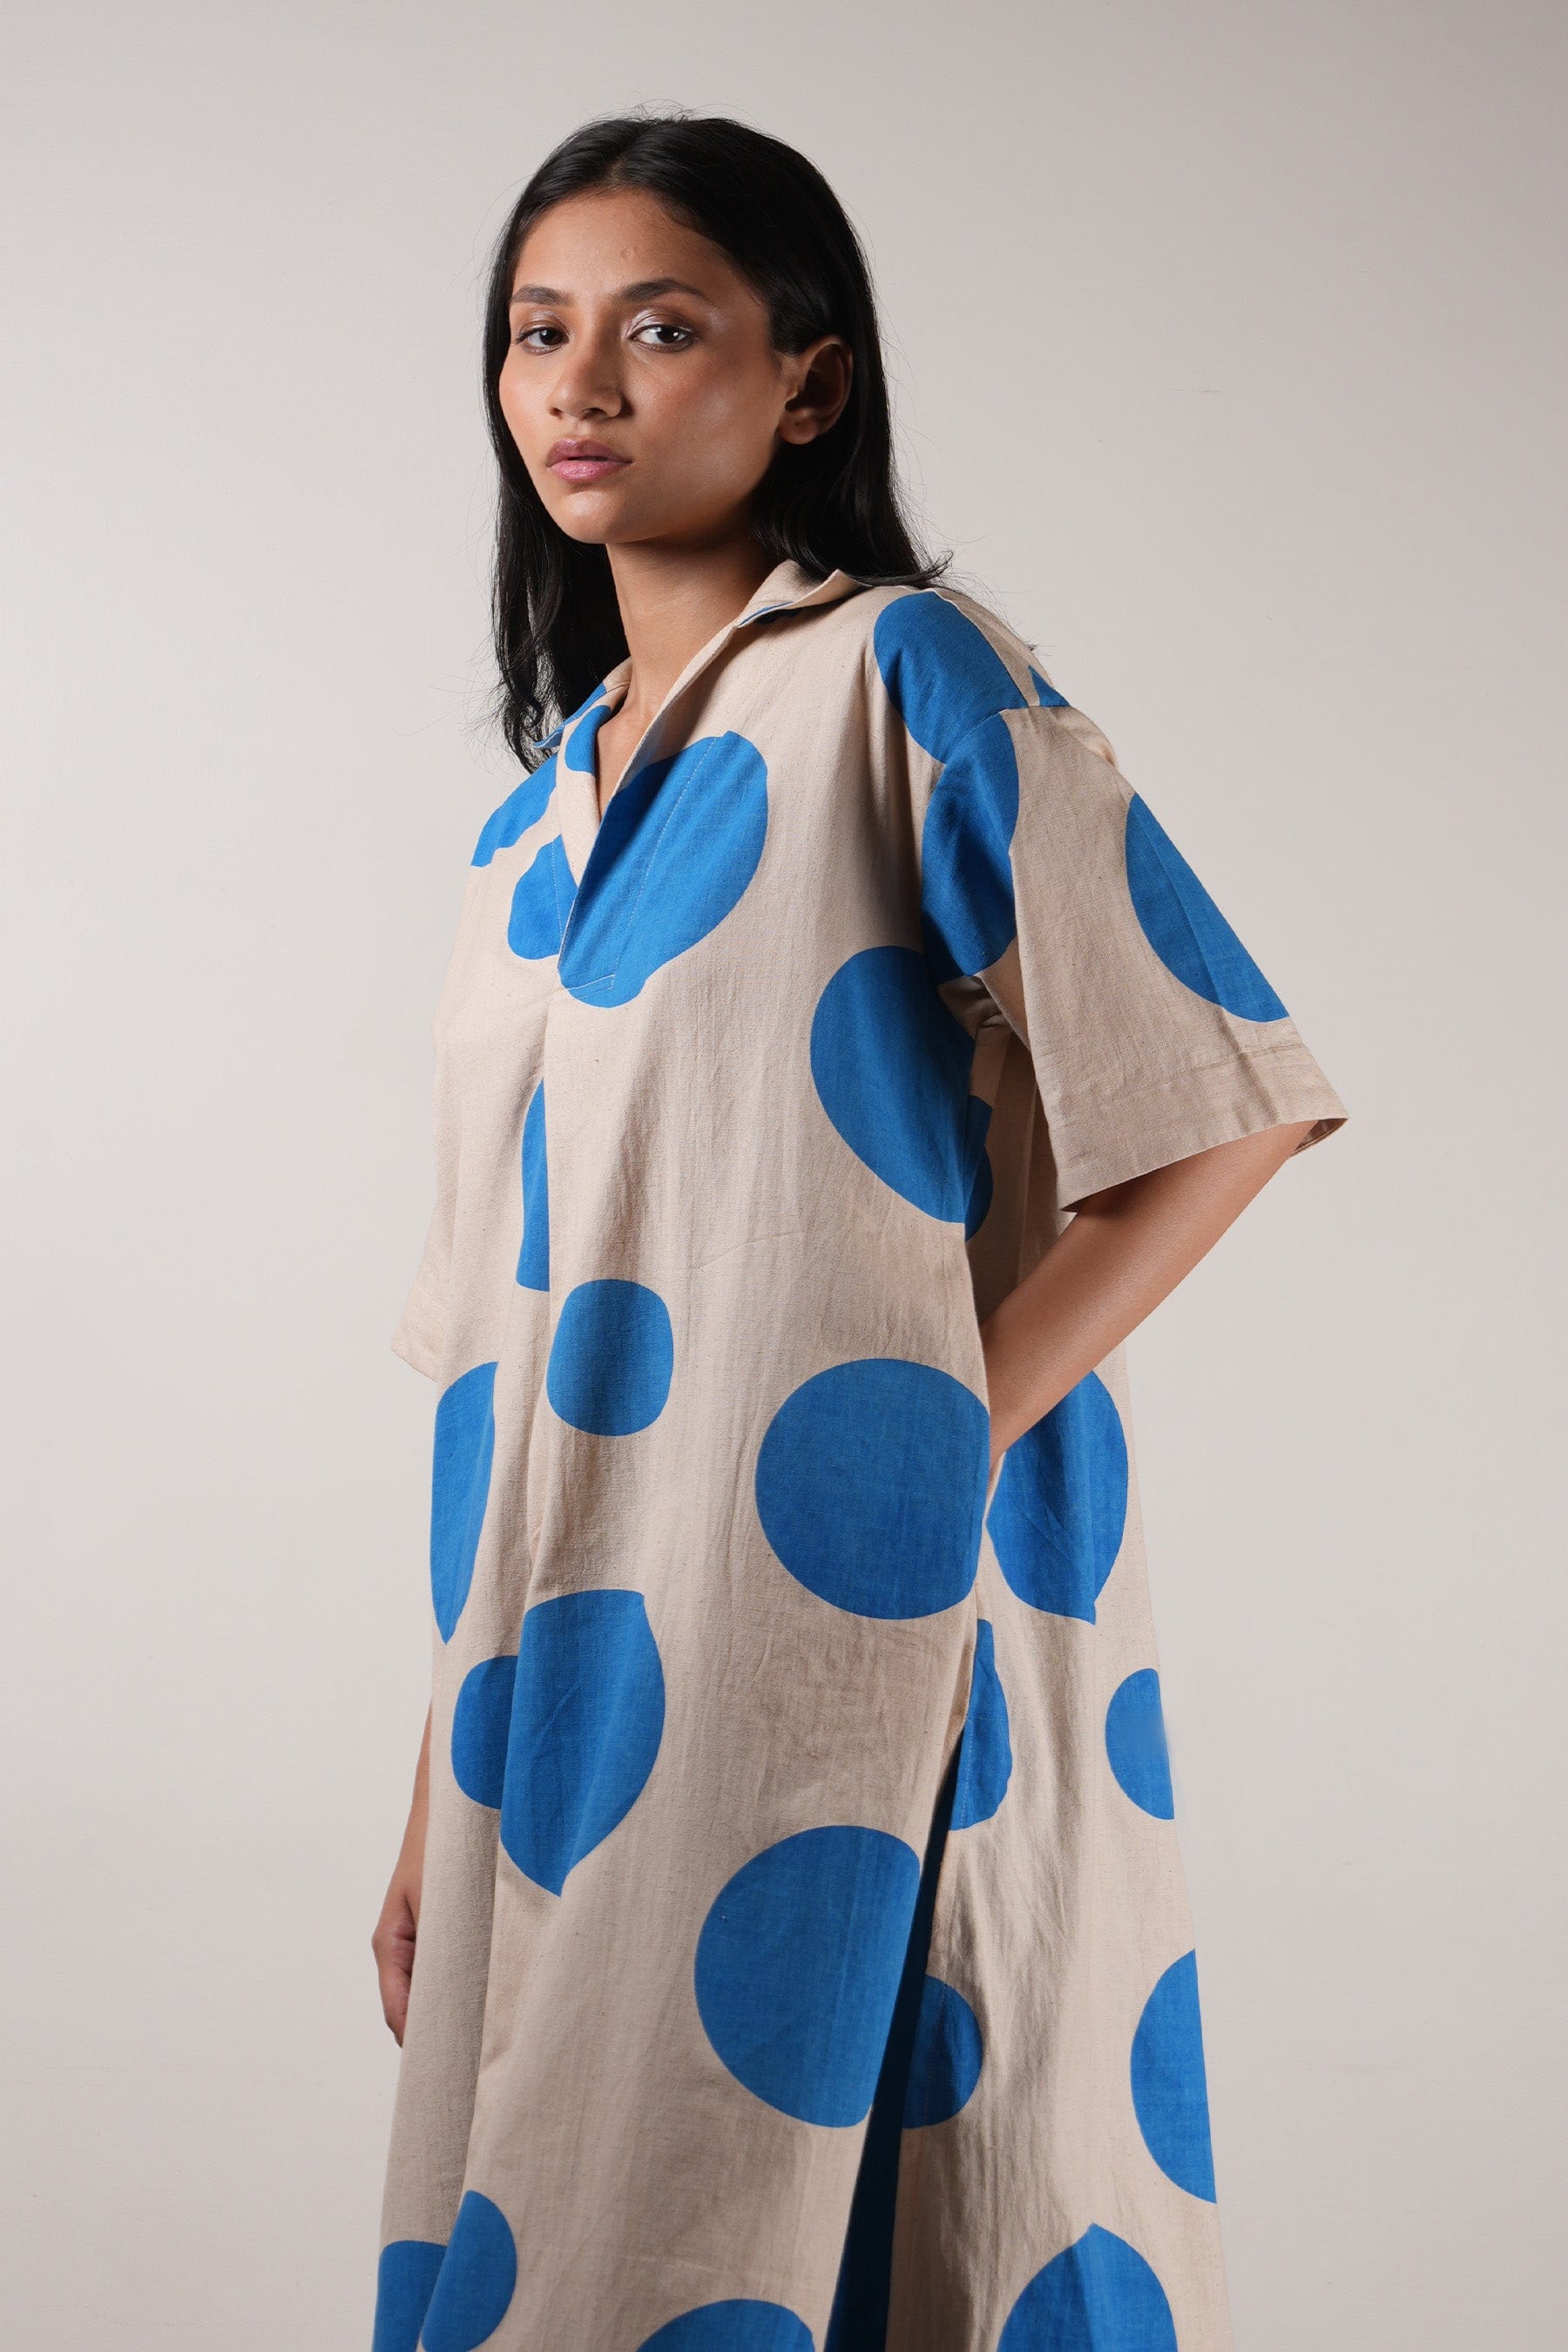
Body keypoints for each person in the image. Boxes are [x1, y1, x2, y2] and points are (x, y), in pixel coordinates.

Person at [368, 109, 1347, 2352]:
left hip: (865, 1629)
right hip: (563, 1679)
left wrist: (932, 1441)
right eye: (536, 331)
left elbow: (1222, 1104)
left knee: (913, 2212)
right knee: (587, 2226)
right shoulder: (534, 828)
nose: (578, 385)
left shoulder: (906, 676)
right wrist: (435, 1781)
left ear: (807, 380)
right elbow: (502, 1343)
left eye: (658, 328)